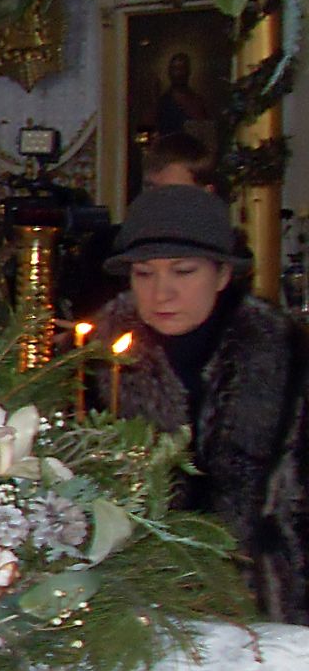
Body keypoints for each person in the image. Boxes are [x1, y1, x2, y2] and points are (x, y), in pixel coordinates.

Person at [97, 185, 309, 623]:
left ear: (223, 274)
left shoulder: (287, 360)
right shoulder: (96, 365)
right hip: (130, 614)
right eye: (144, 274)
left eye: (183, 271)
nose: (162, 293)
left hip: (271, 615)